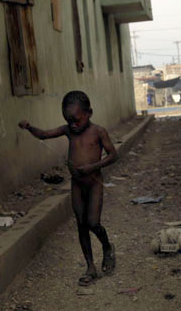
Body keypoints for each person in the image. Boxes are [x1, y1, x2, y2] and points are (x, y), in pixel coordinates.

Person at [18, 91, 117, 286]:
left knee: (93, 222)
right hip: (77, 185)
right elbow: (45, 135)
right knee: (81, 224)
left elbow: (113, 155)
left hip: (94, 183)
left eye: (76, 120)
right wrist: (29, 127)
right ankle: (90, 267)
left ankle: (107, 247)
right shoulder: (68, 130)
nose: (73, 125)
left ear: (89, 113)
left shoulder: (98, 131)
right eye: (68, 121)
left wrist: (92, 167)